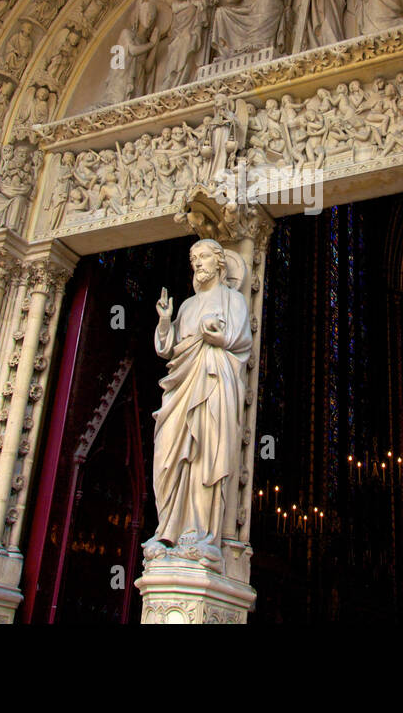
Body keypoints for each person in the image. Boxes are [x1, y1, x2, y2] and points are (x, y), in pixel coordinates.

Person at [146, 239, 252, 569]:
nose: (197, 264)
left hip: (214, 383)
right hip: (181, 389)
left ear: (221, 263)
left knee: (207, 454)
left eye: (203, 257)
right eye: (193, 259)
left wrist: (217, 338)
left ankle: (204, 534)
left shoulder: (234, 299)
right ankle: (168, 530)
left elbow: (241, 340)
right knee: (169, 454)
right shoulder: (188, 307)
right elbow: (168, 348)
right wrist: (165, 321)